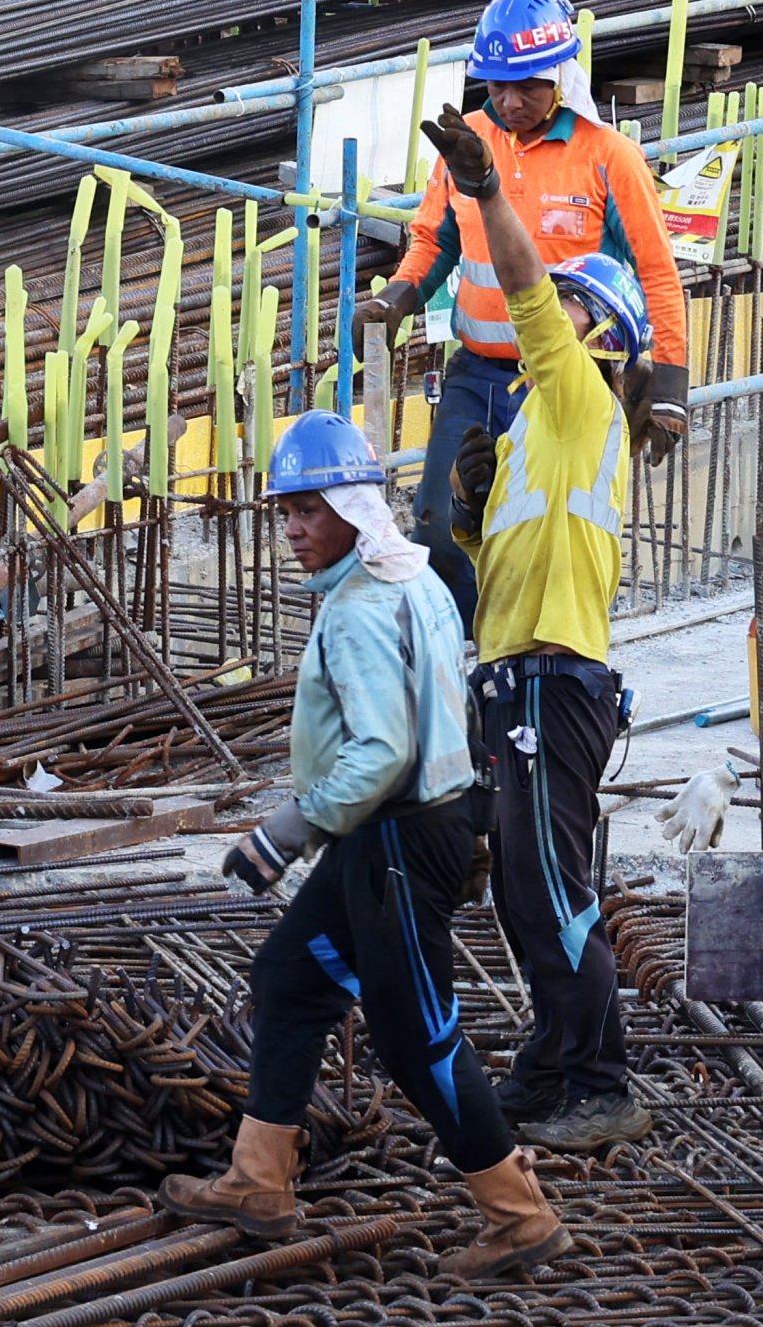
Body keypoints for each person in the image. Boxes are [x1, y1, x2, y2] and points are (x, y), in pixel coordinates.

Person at [162, 412, 566, 1281]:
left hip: (394, 843)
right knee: (288, 979)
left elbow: (380, 752)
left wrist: (285, 830)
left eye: (309, 510)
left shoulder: (355, 610)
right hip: (390, 837)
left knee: (416, 1034)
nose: (294, 530)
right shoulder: (413, 575)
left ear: (351, 506)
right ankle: (259, 1180)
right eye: (286, 512)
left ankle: (517, 1214)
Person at [417, 102, 657, 1156]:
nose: (540, 317)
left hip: (555, 683)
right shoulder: (532, 436)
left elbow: (519, 282)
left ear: (594, 334)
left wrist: (484, 190)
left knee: (555, 893)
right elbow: (492, 566)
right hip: (513, 679)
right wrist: (469, 515)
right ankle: (556, 1065)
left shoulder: (581, 395)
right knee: (526, 893)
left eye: (563, 309)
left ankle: (600, 1081)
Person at [362, 0, 692, 554]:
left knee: (542, 537)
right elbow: (433, 242)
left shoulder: (608, 157)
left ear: (560, 76)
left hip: (567, 384)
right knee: (443, 522)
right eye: (498, 85)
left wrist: (669, 385)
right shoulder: (465, 145)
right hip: (475, 376)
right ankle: (469, 642)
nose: (512, 101)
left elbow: (657, 272)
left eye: (528, 85)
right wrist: (400, 295)